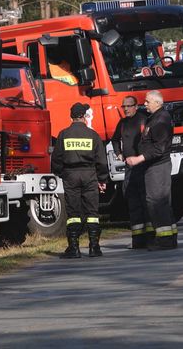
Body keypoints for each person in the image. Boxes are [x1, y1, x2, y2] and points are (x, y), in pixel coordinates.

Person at [51, 102, 108, 258]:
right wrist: (102, 179)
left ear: (71, 116)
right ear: (84, 116)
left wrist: (60, 173)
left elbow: (56, 159)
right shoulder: (93, 135)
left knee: (73, 212)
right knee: (92, 212)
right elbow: (102, 161)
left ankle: (74, 248)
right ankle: (94, 247)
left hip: (70, 175)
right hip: (90, 175)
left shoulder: (63, 134)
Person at [126, 90, 177, 251]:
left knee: (157, 202)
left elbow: (159, 148)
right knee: (161, 202)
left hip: (157, 166)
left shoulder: (160, 120)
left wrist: (139, 158)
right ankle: (169, 237)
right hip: (154, 166)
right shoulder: (155, 118)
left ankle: (165, 241)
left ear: (157, 103)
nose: (145, 104)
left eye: (147, 101)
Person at [110, 95, 151, 249]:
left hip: (143, 166)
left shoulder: (143, 120)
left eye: (128, 106)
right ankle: (138, 240)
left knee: (145, 202)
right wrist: (118, 153)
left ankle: (150, 238)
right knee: (132, 202)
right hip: (129, 168)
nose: (126, 109)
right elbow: (114, 140)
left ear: (136, 105)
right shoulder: (122, 123)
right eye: (123, 106)